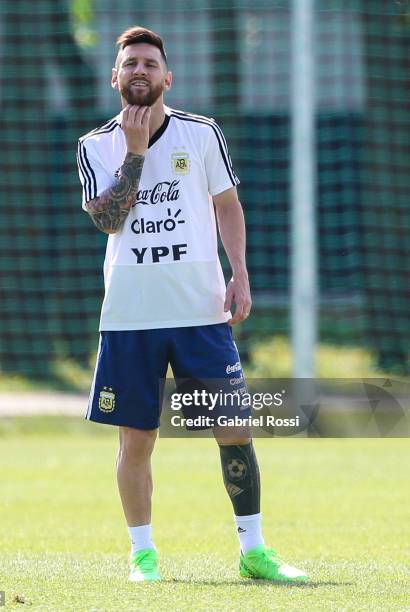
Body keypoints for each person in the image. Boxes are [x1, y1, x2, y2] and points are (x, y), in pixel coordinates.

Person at [76, 26, 308, 583]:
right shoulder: (95, 144)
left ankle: (254, 549)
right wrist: (134, 155)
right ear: (115, 77)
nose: (139, 70)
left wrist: (240, 273)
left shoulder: (201, 133)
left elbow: (227, 205)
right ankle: (142, 554)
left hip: (201, 313)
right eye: (130, 62)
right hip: (131, 317)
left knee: (234, 427)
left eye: (150, 63)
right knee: (139, 438)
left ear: (167, 77)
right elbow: (108, 219)